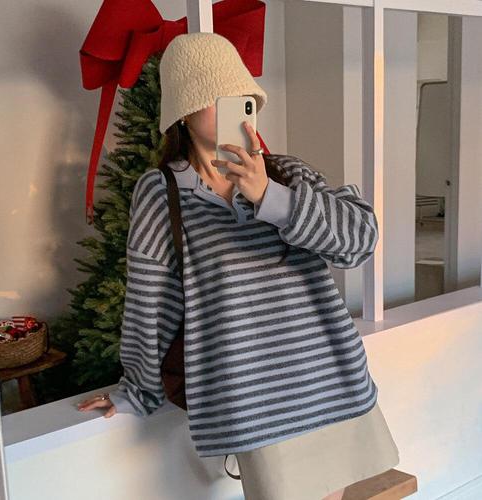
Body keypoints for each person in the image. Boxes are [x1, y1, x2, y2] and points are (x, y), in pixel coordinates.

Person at [77, 32, 399, 500]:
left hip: (332, 383)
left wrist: (272, 197)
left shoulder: (287, 174)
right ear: (184, 111)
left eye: (243, 97)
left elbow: (360, 241)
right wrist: (139, 390)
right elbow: (151, 302)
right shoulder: (162, 192)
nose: (239, 109)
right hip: (254, 403)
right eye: (219, 98)